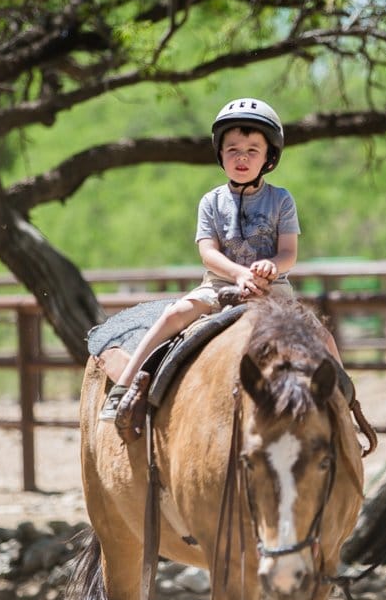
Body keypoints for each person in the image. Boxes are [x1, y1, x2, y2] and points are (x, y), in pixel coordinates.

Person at [98, 97, 300, 431]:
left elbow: (288, 252)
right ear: (220, 154)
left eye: (252, 150)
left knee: (317, 335)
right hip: (220, 285)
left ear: (269, 157)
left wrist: (271, 268)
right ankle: (126, 386)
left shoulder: (281, 200)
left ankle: (342, 403)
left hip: (272, 288)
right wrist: (239, 274)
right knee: (173, 314)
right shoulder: (211, 201)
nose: (242, 157)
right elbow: (208, 253)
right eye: (233, 148)